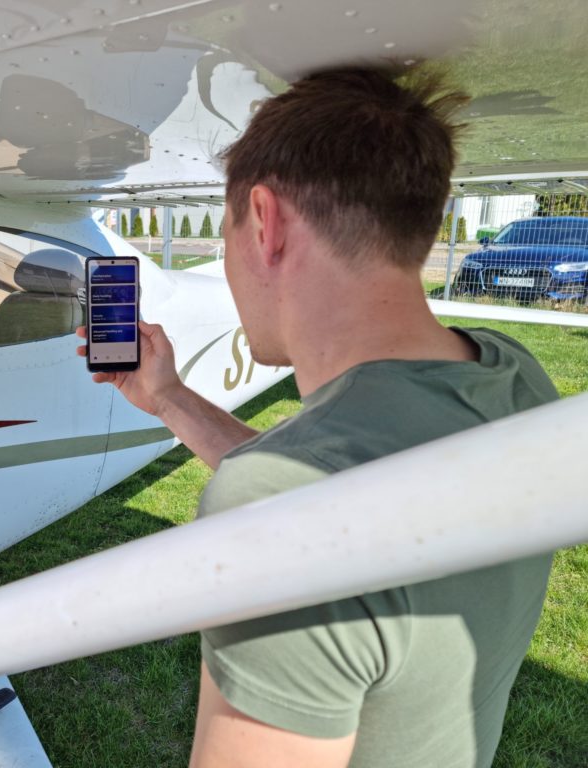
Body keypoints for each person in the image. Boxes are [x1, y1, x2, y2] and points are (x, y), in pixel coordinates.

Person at [77, 67, 558, 768]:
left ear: (265, 223)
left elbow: (308, 492)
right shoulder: (510, 374)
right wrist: (169, 397)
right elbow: (334, 481)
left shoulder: (281, 506)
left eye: (226, 230)